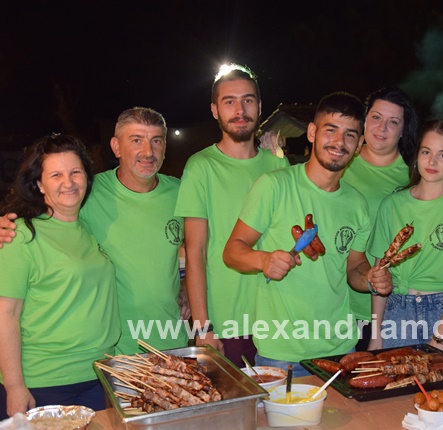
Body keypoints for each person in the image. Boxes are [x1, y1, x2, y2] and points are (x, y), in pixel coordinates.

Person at [222, 92, 393, 377]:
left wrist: (370, 279)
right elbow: (232, 251)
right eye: (331, 130)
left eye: (350, 135)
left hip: (341, 349)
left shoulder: (357, 203)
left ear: (359, 144)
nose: (339, 142)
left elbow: (354, 266)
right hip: (282, 354)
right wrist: (264, 260)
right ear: (312, 132)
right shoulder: (273, 186)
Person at [0, 107, 190, 355]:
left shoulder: (181, 192)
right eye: (136, 140)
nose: (148, 151)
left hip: (171, 337)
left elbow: (202, 249)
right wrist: (5, 225)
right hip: (111, 350)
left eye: (156, 140)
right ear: (116, 147)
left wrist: (187, 286)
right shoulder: (86, 193)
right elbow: (37, 214)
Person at [174, 64, 289, 368]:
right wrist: (202, 328)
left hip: (278, 321)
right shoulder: (201, 167)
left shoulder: (278, 165)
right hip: (226, 325)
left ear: (259, 106)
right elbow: (195, 252)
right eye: (229, 102)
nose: (240, 110)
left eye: (248, 100)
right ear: (215, 110)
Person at [0, 134, 120, 418]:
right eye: (56, 175)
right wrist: (15, 386)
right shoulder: (21, 235)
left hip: (99, 373)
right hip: (44, 381)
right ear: (40, 184)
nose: (69, 182)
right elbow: (6, 314)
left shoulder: (88, 227)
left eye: (75, 172)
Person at [367, 119, 443, 353]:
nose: (432, 161)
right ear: (417, 156)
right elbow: (381, 273)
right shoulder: (391, 204)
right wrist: (376, 334)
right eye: (426, 152)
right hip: (398, 310)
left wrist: (440, 338)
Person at [342, 87, 418, 351]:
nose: (382, 128)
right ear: (364, 119)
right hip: (334, 304)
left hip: (389, 308)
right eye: (376, 117)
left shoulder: (414, 177)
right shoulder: (339, 162)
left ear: (403, 129)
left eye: (393, 122)